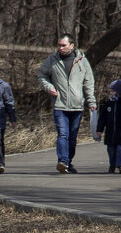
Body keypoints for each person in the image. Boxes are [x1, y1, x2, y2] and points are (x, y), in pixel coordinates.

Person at [38, 33, 96, 174]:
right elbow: (41, 75)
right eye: (59, 45)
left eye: (64, 45)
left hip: (77, 105)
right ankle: (62, 161)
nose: (61, 48)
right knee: (63, 134)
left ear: (72, 45)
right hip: (60, 104)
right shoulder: (52, 60)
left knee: (72, 136)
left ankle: (68, 162)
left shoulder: (82, 61)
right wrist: (49, 87)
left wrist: (91, 101)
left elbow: (88, 82)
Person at [93, 78, 121, 173]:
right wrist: (99, 129)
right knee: (110, 149)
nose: (111, 93)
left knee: (120, 148)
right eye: (110, 91)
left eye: (113, 91)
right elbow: (102, 118)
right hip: (110, 132)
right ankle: (112, 164)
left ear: (118, 92)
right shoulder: (108, 104)